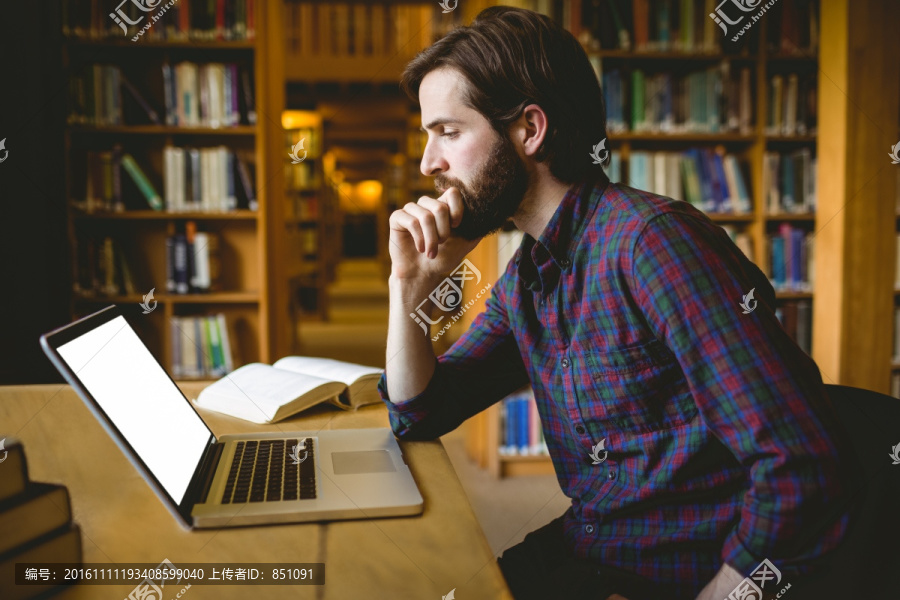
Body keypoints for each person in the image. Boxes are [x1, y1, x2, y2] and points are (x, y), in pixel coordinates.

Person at [377, 6, 861, 600]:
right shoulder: (530, 271)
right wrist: (408, 289)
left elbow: (800, 467)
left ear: (530, 130)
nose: (429, 163)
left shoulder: (653, 246)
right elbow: (418, 412)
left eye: (448, 133)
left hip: (682, 573)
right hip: (593, 548)